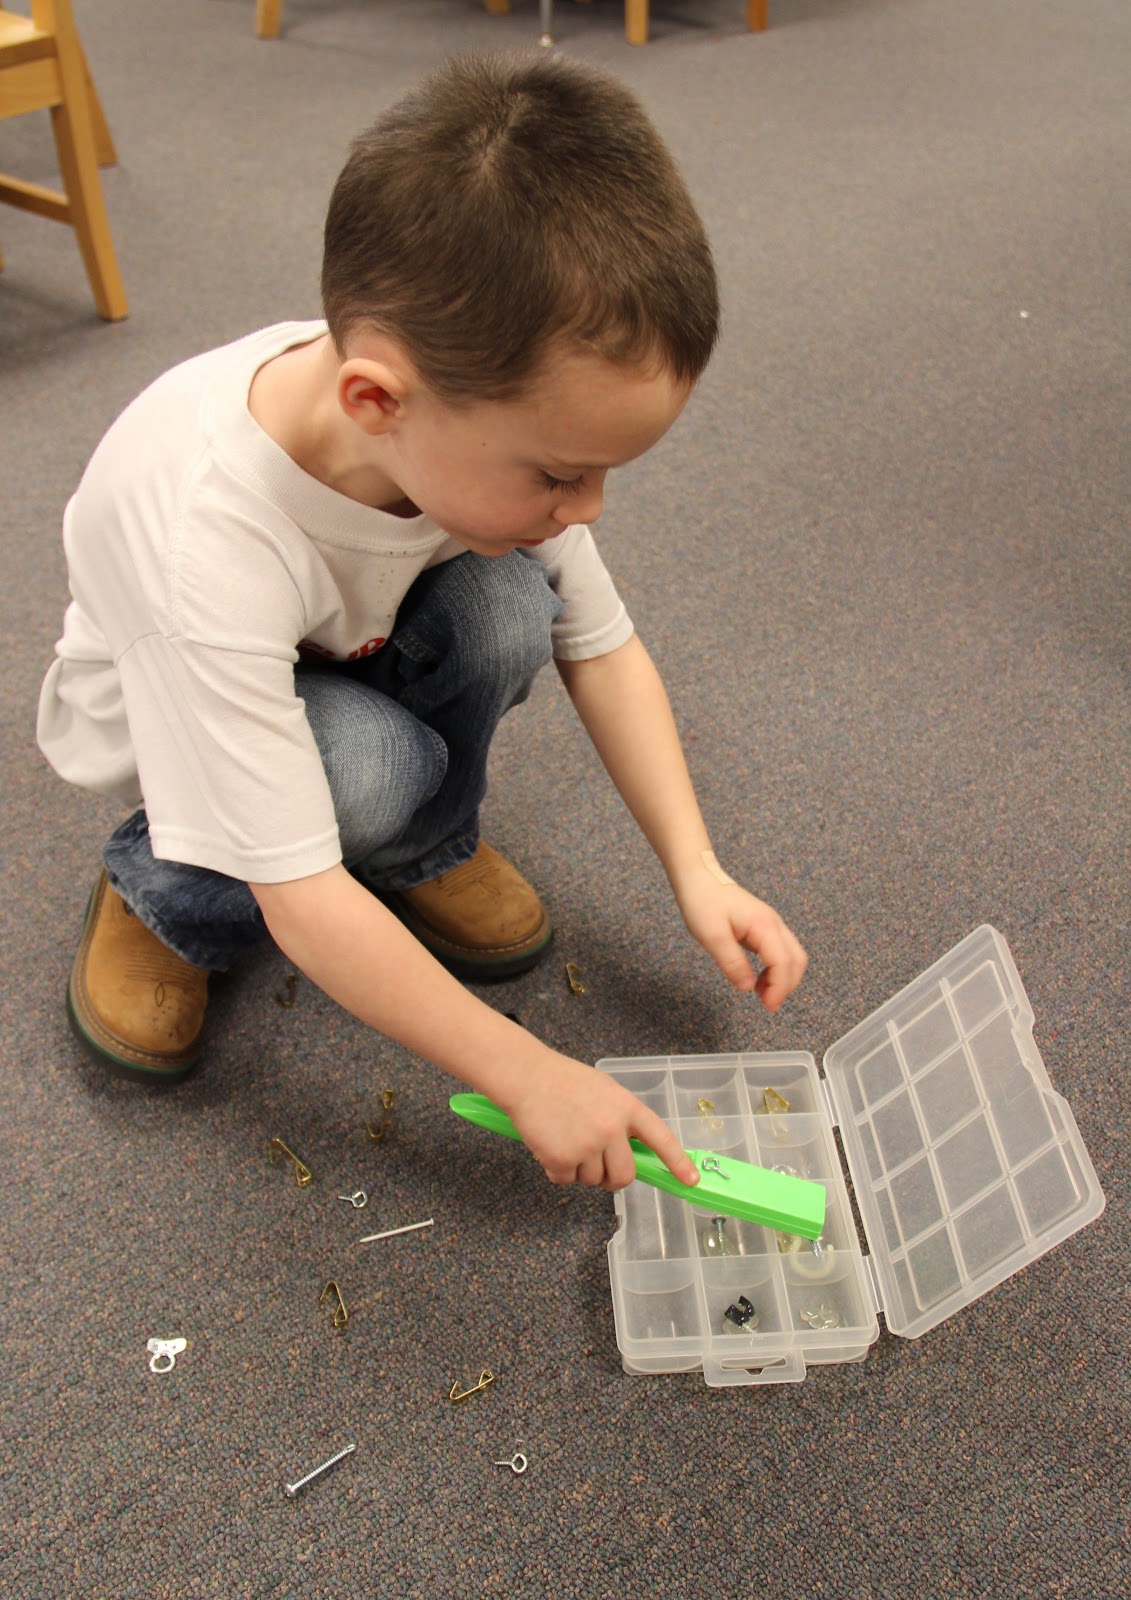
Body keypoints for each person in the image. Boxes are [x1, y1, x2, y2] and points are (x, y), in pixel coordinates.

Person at [36, 51, 807, 1194]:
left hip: (339, 641)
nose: (586, 509)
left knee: (511, 604)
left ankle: (414, 848)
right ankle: (167, 893)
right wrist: (525, 1072)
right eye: (560, 474)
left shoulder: (450, 417)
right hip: (187, 709)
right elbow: (301, 898)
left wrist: (697, 869)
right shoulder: (206, 532)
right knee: (364, 771)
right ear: (374, 401)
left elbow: (603, 645)